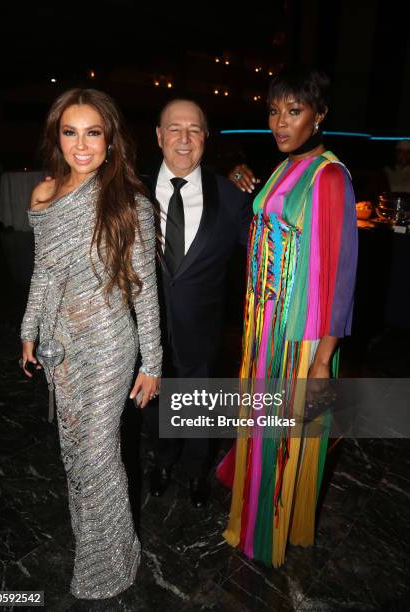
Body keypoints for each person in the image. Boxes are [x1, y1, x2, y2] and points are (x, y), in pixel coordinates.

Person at [20, 89, 162, 599]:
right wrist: (28, 329)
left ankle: (107, 566)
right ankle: (100, 538)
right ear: (57, 137)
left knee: (100, 453)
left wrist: (154, 362)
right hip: (62, 344)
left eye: (93, 132)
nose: (82, 145)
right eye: (70, 132)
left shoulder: (130, 202)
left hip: (110, 344)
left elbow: (143, 290)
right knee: (75, 451)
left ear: (110, 139)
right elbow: (44, 271)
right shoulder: (43, 195)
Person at [219, 68, 358, 567]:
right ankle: (251, 515)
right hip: (262, 328)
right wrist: (241, 188)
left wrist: (323, 360)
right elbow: (262, 234)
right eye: (274, 111)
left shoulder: (330, 175)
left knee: (287, 439)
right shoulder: (283, 167)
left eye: (293, 111)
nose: (280, 122)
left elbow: (341, 276)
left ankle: (268, 533)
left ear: (319, 116)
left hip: (297, 338)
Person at [142, 98, 251, 507]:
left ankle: (194, 470)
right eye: (174, 128)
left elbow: (268, 241)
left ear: (206, 137)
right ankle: (163, 461)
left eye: (194, 129)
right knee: (154, 406)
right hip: (145, 330)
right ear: (158, 135)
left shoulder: (231, 196)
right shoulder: (129, 189)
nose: (183, 139)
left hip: (203, 329)